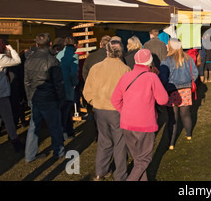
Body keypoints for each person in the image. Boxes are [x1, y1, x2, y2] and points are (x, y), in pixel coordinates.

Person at [111, 49, 168, 181]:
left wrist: (125, 112)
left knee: (138, 160)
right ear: (149, 62)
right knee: (144, 160)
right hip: (146, 124)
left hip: (127, 124)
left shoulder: (125, 76)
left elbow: (115, 100)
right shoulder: (152, 77)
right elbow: (163, 100)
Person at [83, 39, 131, 181]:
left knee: (104, 141)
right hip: (117, 111)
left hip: (100, 109)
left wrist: (94, 102)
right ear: (121, 52)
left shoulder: (96, 67)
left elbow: (87, 91)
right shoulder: (125, 69)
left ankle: (100, 172)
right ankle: (120, 175)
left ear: (107, 51)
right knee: (120, 143)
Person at [24, 33, 65, 162]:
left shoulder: (29, 59)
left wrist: (30, 98)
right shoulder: (52, 60)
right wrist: (61, 99)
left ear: (36, 44)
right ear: (50, 44)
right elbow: (59, 84)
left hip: (37, 98)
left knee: (34, 127)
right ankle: (58, 152)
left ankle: (30, 155)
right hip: (49, 99)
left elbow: (27, 83)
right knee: (54, 126)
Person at [159, 39, 198, 150]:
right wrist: (189, 83)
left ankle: (171, 143)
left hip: (172, 91)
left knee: (173, 118)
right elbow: (195, 73)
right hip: (186, 90)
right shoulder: (188, 58)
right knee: (186, 114)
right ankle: (189, 135)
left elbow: (163, 78)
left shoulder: (166, 61)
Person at [0, 40, 24, 152]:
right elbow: (17, 61)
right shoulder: (1, 58)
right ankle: (15, 142)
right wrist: (11, 49)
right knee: (8, 118)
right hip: (1, 93)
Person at [56, 36, 79, 141]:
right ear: (75, 45)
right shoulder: (74, 55)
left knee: (64, 111)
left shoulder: (58, 55)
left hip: (58, 86)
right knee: (65, 111)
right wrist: (75, 82)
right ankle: (63, 132)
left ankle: (69, 131)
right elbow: (74, 73)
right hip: (68, 86)